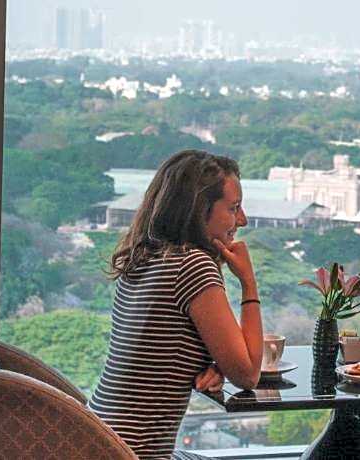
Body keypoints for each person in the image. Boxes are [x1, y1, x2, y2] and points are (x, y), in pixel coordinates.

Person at [88, 150, 263, 460]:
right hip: (137, 454)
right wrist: (248, 282)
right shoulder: (192, 265)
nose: (242, 220)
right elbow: (249, 374)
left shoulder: (141, 257)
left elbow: (162, 352)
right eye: (233, 208)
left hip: (99, 441)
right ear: (199, 210)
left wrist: (217, 365)